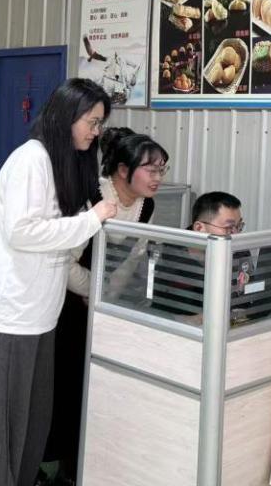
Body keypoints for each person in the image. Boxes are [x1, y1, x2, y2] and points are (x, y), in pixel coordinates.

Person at [0, 79, 117, 486]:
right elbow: (22, 232)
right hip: (2, 324)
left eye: (100, 124)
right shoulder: (32, 160)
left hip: (37, 323)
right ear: (65, 116)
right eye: (91, 122)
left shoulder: (63, 166)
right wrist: (92, 219)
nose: (96, 132)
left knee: (27, 439)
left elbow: (59, 248)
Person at [39, 127, 170, 486]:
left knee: (92, 388)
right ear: (124, 170)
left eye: (162, 169)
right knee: (62, 386)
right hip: (64, 302)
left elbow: (133, 257)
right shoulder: (90, 196)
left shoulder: (146, 206)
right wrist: (92, 292)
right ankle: (44, 464)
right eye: (151, 169)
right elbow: (63, 262)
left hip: (99, 305)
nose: (158, 177)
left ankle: (76, 467)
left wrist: (107, 296)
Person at [150, 191, 245, 322]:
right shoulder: (168, 256)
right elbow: (153, 310)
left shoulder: (239, 252)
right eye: (229, 227)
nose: (236, 234)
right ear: (199, 228)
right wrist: (190, 320)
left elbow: (245, 297)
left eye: (239, 226)